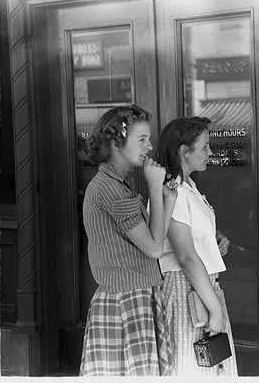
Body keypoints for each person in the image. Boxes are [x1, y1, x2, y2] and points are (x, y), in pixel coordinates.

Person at [80, 105, 177, 376]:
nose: (150, 146)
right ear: (116, 143)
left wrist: (167, 200)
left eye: (149, 138)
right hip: (125, 302)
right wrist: (155, 188)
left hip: (134, 296)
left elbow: (154, 239)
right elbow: (155, 248)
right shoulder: (111, 189)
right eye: (142, 139)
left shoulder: (117, 184)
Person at [156, 117, 238, 376]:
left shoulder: (187, 186)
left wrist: (214, 235)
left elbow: (191, 232)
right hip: (185, 290)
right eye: (204, 147)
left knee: (211, 367)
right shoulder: (172, 191)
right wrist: (215, 309)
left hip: (200, 287)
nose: (210, 152)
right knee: (193, 368)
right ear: (184, 151)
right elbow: (186, 256)